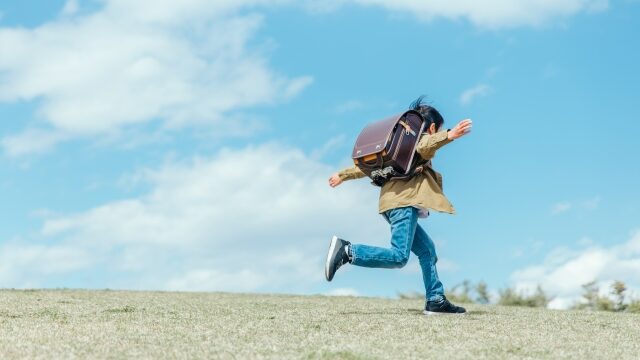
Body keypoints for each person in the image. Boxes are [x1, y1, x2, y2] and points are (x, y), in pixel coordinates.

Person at [325, 96, 473, 315]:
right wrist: (449, 135)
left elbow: (366, 166)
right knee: (399, 256)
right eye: (437, 130)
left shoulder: (399, 146)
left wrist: (342, 175)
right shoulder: (418, 141)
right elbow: (426, 144)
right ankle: (347, 251)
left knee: (427, 251)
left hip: (392, 204)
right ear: (432, 127)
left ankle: (435, 299)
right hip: (403, 204)